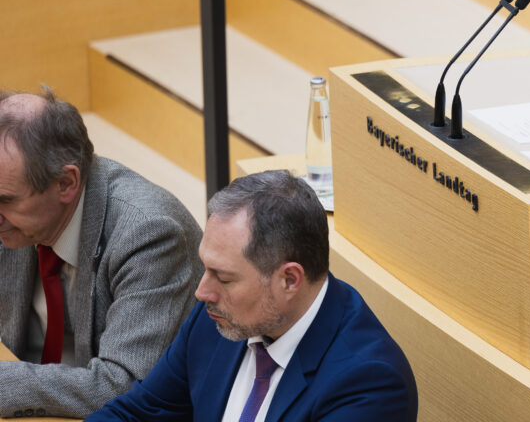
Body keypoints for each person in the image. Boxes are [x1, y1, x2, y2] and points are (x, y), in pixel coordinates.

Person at [85, 169, 417, 421]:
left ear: (289, 280)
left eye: (224, 278)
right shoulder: (217, 316)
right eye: (206, 268)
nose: (202, 292)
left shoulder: (368, 384)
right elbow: (138, 413)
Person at [0, 88, 204, 419]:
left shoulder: (149, 234)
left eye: (5, 200)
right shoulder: (18, 212)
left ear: (66, 183)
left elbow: (122, 387)